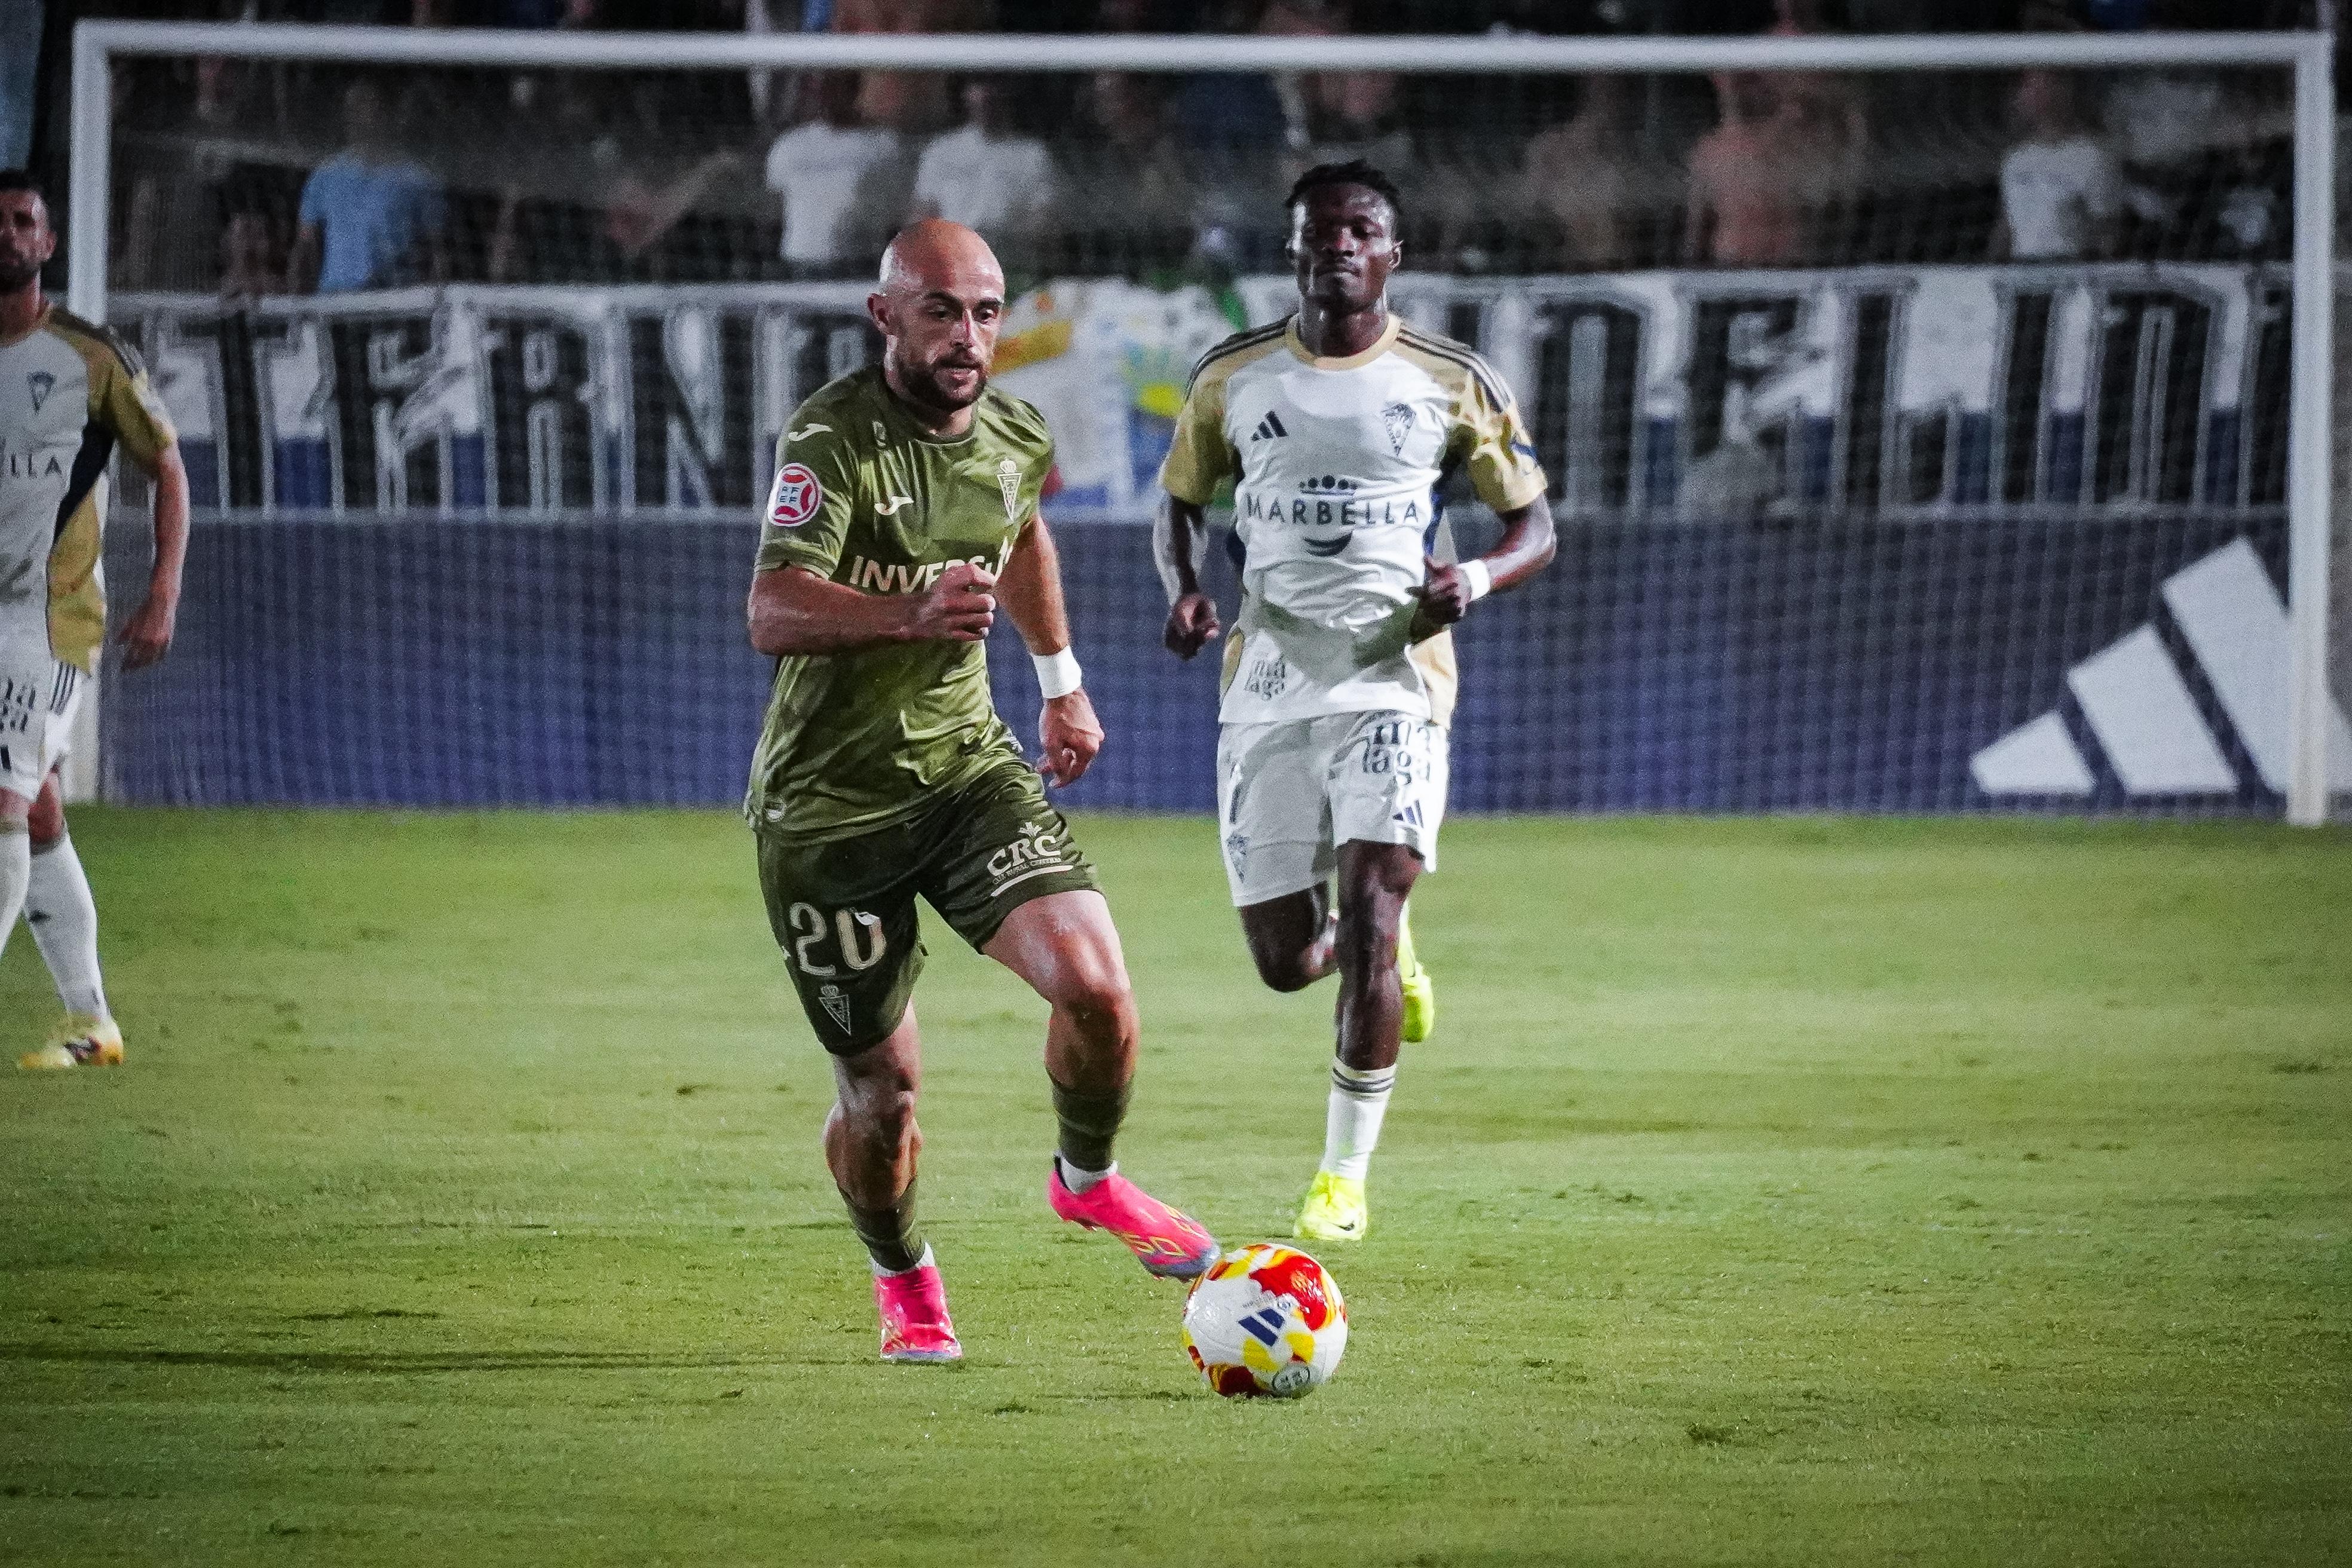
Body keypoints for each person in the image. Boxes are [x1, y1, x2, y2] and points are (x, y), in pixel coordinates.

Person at [745, 218, 1217, 1363]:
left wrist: (1063, 684)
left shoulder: (1012, 428)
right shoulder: (834, 437)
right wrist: (906, 613)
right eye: (944, 308)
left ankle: (1087, 1178)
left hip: (967, 773)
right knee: (882, 1095)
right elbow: (771, 610)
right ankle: (904, 1275)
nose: (969, 334)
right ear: (886, 316)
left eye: (988, 310)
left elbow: (1022, 536)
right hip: (828, 814)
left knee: (1098, 988)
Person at [1154, 161, 1556, 1243]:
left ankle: (1342, 1177)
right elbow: (1181, 503)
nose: (1339, 245)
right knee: (1289, 961)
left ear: (1394, 252)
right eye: (1318, 231)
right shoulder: (1230, 376)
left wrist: (1469, 580)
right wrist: (1186, 590)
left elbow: (1534, 525)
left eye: (1361, 229)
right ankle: (1389, 940)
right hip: (1270, 687)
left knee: (1371, 912)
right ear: (1291, 251)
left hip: (1396, 678)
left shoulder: (1451, 376)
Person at [0, 172, 189, 1070]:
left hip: (51, 619)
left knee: (1, 802)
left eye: (22, 221)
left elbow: (169, 467)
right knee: (36, 813)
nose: (7, 233)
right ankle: (93, 1024)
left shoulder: (91, 356)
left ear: (47, 243)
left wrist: (164, 591)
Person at [287, 79, 449, 293]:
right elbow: (305, 247)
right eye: (352, 109)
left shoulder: (417, 179)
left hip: (394, 307)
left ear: (386, 114)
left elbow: (436, 250)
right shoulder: (325, 175)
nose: (357, 117)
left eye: (366, 106)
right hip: (333, 305)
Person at [764, 72, 908, 278]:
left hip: (860, 262)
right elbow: (773, 209)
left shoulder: (882, 145)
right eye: (825, 89)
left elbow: (893, 209)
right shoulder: (790, 145)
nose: (832, 96)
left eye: (842, 89)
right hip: (800, 262)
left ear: (857, 93)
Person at [1995, 69, 2120, 261]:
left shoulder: (2092, 155)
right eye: (2029, 86)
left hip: (2069, 270)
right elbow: (2008, 223)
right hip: (2022, 271)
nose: (2034, 94)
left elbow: (2106, 228)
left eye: (2043, 85)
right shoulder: (2015, 158)